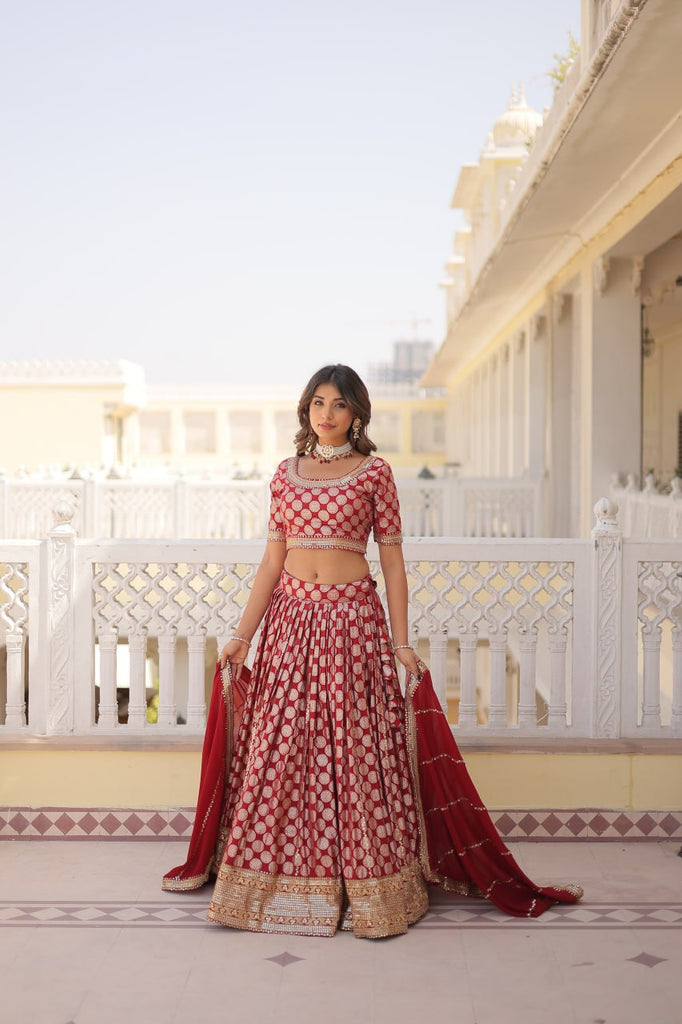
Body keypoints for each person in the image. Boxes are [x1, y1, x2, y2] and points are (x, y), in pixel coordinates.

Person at [163, 364, 582, 937]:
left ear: (356, 413)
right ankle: (275, 881)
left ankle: (367, 884)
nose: (326, 414)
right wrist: (242, 635)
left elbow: (391, 562)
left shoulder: (375, 474)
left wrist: (401, 642)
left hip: (352, 621)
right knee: (282, 747)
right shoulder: (284, 476)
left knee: (355, 749)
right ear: (305, 411)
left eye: (338, 404)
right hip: (290, 622)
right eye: (317, 403)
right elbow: (270, 562)